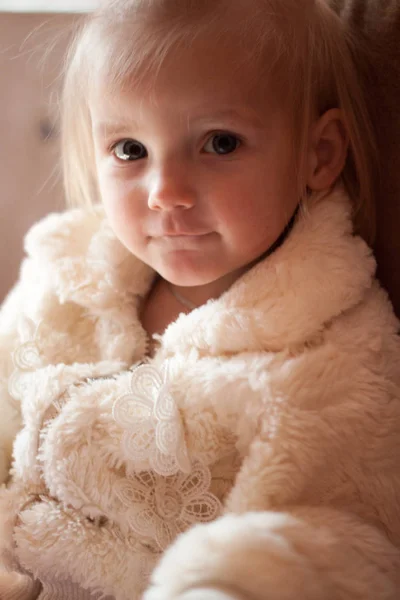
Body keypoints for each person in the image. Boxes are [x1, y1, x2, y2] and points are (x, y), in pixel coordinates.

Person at [1, 0, 400, 598]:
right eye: (131, 150)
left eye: (219, 143)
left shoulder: (329, 352)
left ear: (317, 155)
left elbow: (338, 532)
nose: (166, 192)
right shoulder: (63, 283)